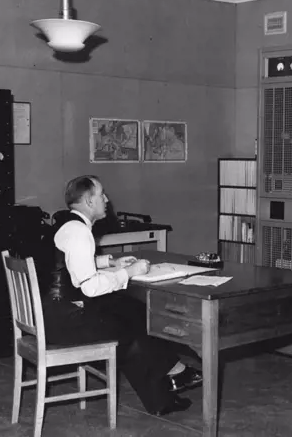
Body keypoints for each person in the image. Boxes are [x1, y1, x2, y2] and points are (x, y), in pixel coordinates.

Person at [41, 175, 202, 416]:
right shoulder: (79, 233)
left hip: (55, 314)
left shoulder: (68, 226)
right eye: (101, 194)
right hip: (67, 323)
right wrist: (129, 271)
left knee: (130, 310)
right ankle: (172, 375)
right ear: (88, 201)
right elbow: (90, 287)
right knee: (134, 321)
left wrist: (110, 262)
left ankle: (164, 391)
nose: (106, 199)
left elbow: (70, 264)